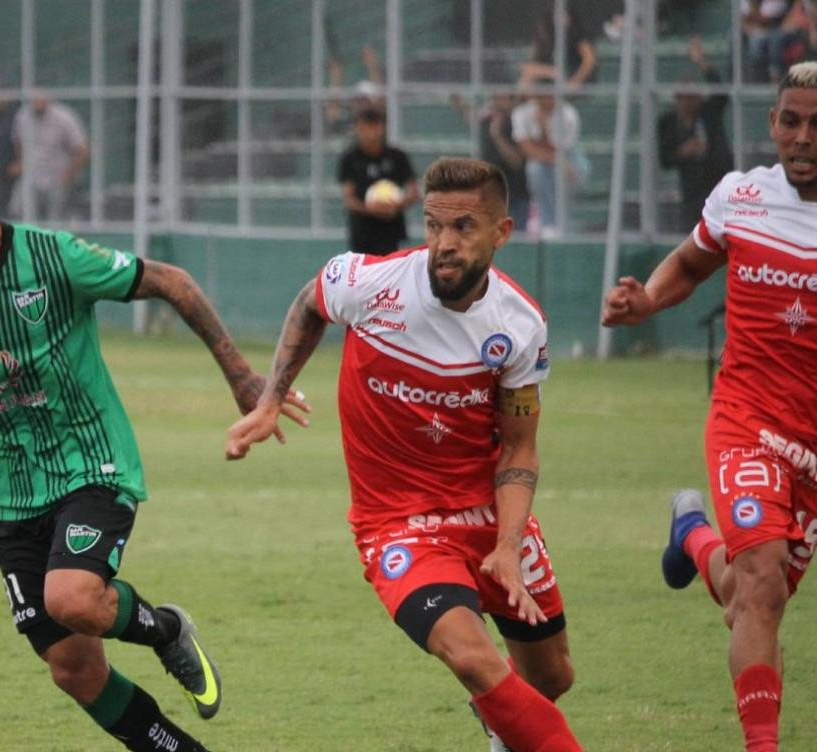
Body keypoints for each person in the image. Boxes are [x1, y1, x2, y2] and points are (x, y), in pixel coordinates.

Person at [0, 133, 306, 752]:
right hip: (15, 493)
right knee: (75, 670)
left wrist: (242, 378)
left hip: (92, 464)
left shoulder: (52, 260)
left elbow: (174, 283)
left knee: (73, 598)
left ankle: (165, 630)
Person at [227, 157, 582, 752]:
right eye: (434, 225)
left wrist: (508, 545)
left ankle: (501, 721)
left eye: (464, 227)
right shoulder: (370, 284)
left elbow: (520, 446)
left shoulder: (520, 325)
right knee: (472, 657)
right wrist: (270, 398)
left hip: (486, 515)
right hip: (398, 526)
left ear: (502, 233)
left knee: (550, 677)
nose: (444, 244)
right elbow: (310, 303)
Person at [602, 62, 817, 751]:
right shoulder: (739, 196)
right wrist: (647, 301)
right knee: (763, 587)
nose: (800, 137)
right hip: (745, 419)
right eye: (788, 121)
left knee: (749, 599)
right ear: (772, 124)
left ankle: (691, 531)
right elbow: (689, 266)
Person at [658, 36, 735, 233]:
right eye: (685, 97)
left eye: (694, 96)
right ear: (678, 100)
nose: (691, 101)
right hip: (691, 192)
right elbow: (665, 159)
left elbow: (721, 93)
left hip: (717, 186)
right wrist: (684, 151)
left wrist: (703, 62)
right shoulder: (668, 122)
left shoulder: (708, 113)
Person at [511, 76, 589, 238]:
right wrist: (542, 129)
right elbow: (526, 148)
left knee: (566, 172)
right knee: (535, 170)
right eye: (544, 96)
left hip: (570, 158)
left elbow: (560, 150)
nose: (549, 100)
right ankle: (548, 225)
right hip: (546, 161)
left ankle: (563, 224)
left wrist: (545, 134)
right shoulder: (522, 113)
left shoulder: (568, 114)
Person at [336, 107, 419, 255]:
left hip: (392, 232)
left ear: (383, 128)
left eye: (374, 126)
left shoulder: (397, 157)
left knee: (392, 274)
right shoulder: (349, 158)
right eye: (365, 127)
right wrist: (372, 208)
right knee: (362, 276)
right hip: (362, 233)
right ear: (358, 128)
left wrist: (395, 205)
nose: (370, 133)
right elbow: (349, 200)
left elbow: (414, 193)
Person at [451, 92, 531, 229]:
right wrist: (461, 104)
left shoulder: (517, 122)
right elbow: (473, 117)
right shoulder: (487, 120)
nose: (498, 102)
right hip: (490, 194)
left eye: (504, 98)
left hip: (515, 193)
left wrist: (497, 135)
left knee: (515, 234)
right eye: (496, 98)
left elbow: (517, 162)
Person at [11, 92, 90, 221]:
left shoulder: (64, 117)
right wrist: (20, 162)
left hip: (57, 175)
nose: (38, 101)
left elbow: (83, 149)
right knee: (17, 209)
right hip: (32, 174)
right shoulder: (23, 116)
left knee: (55, 218)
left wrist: (70, 173)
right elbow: (17, 140)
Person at [519, 2, 598, 91]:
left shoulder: (578, 35)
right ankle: (521, 102)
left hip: (571, 79)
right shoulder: (545, 34)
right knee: (528, 75)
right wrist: (551, 72)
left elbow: (590, 60)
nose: (560, 19)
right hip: (551, 78)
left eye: (563, 15)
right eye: (556, 14)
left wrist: (575, 82)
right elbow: (530, 63)